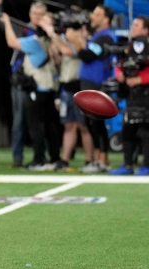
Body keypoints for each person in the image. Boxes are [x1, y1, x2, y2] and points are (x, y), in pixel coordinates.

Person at [0, 12, 61, 171]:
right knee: (50, 126)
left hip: (38, 90)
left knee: (36, 126)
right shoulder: (55, 42)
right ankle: (55, 158)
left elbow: (12, 42)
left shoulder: (36, 42)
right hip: (51, 89)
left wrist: (7, 22)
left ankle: (39, 159)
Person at [0, 0, 46, 167]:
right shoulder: (23, 29)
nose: (37, 17)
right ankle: (17, 156)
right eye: (34, 14)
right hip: (21, 80)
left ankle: (42, 156)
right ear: (30, 15)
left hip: (41, 81)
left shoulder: (47, 32)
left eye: (40, 14)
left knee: (40, 121)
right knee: (18, 121)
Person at [41, 21, 94, 171]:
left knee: (83, 126)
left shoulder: (81, 44)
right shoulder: (66, 42)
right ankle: (64, 159)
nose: (70, 33)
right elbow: (58, 57)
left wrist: (52, 33)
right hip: (66, 88)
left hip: (80, 88)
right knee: (69, 125)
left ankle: (89, 159)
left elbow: (66, 50)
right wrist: (53, 41)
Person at [78, 5, 116, 173]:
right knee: (91, 122)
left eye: (97, 14)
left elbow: (87, 56)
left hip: (97, 83)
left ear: (106, 19)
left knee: (97, 122)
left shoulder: (106, 37)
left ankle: (104, 159)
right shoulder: (97, 36)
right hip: (89, 83)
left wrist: (75, 41)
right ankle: (98, 157)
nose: (93, 16)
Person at [110, 16, 149, 175]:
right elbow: (119, 64)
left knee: (146, 131)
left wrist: (142, 79)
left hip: (147, 94)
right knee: (128, 129)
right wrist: (119, 74)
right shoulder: (129, 47)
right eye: (133, 24)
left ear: (146, 30)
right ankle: (127, 165)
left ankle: (146, 165)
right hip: (132, 94)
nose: (133, 27)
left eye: (137, 25)